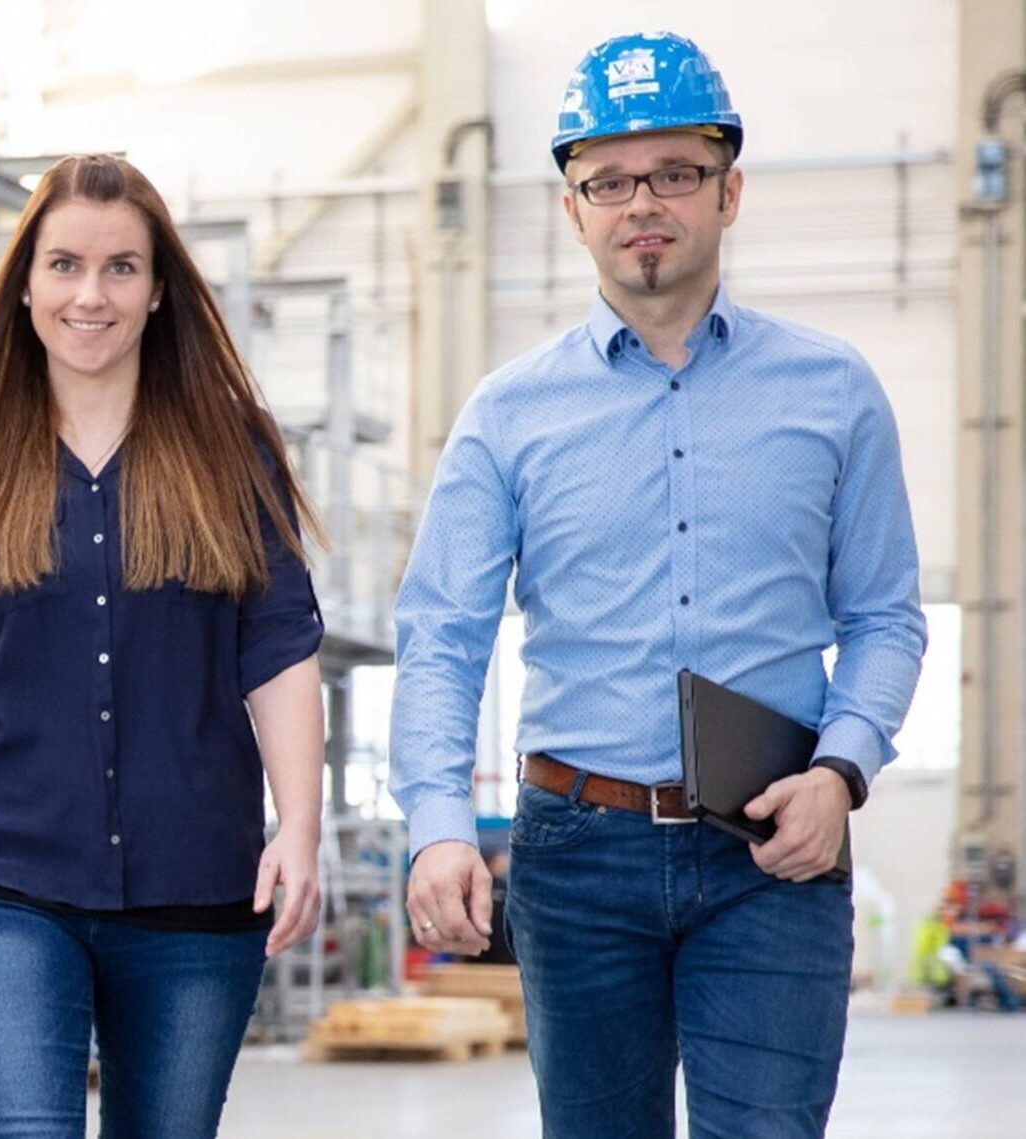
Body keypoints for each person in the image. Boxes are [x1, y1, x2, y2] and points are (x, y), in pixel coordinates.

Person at [390, 31, 927, 1139]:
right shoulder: (506, 413)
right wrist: (437, 822)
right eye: (609, 180)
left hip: (770, 851)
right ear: (571, 207)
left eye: (675, 172)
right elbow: (441, 633)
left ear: (726, 190)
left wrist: (842, 768)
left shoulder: (832, 392)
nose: (643, 202)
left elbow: (882, 616)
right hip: (574, 858)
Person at [0, 153, 326, 1138]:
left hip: (194, 886)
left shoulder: (234, 453)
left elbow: (276, 650)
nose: (88, 293)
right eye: (63, 265)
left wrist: (299, 828)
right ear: (23, 286)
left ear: (155, 293)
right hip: (1, 879)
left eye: (118, 268)